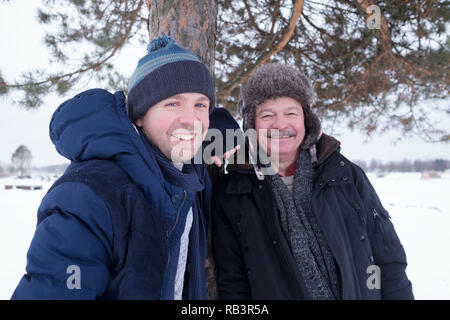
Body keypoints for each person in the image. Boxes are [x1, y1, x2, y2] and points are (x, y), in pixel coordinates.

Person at [12, 35, 217, 299]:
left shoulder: (191, 179)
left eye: (200, 105)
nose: (192, 120)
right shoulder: (87, 197)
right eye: (173, 103)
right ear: (140, 116)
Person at [212, 62, 414, 300]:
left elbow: (387, 259)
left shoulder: (345, 175)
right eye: (267, 115)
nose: (280, 124)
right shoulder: (233, 191)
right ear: (251, 124)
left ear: (306, 119)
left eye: (291, 113)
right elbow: (234, 283)